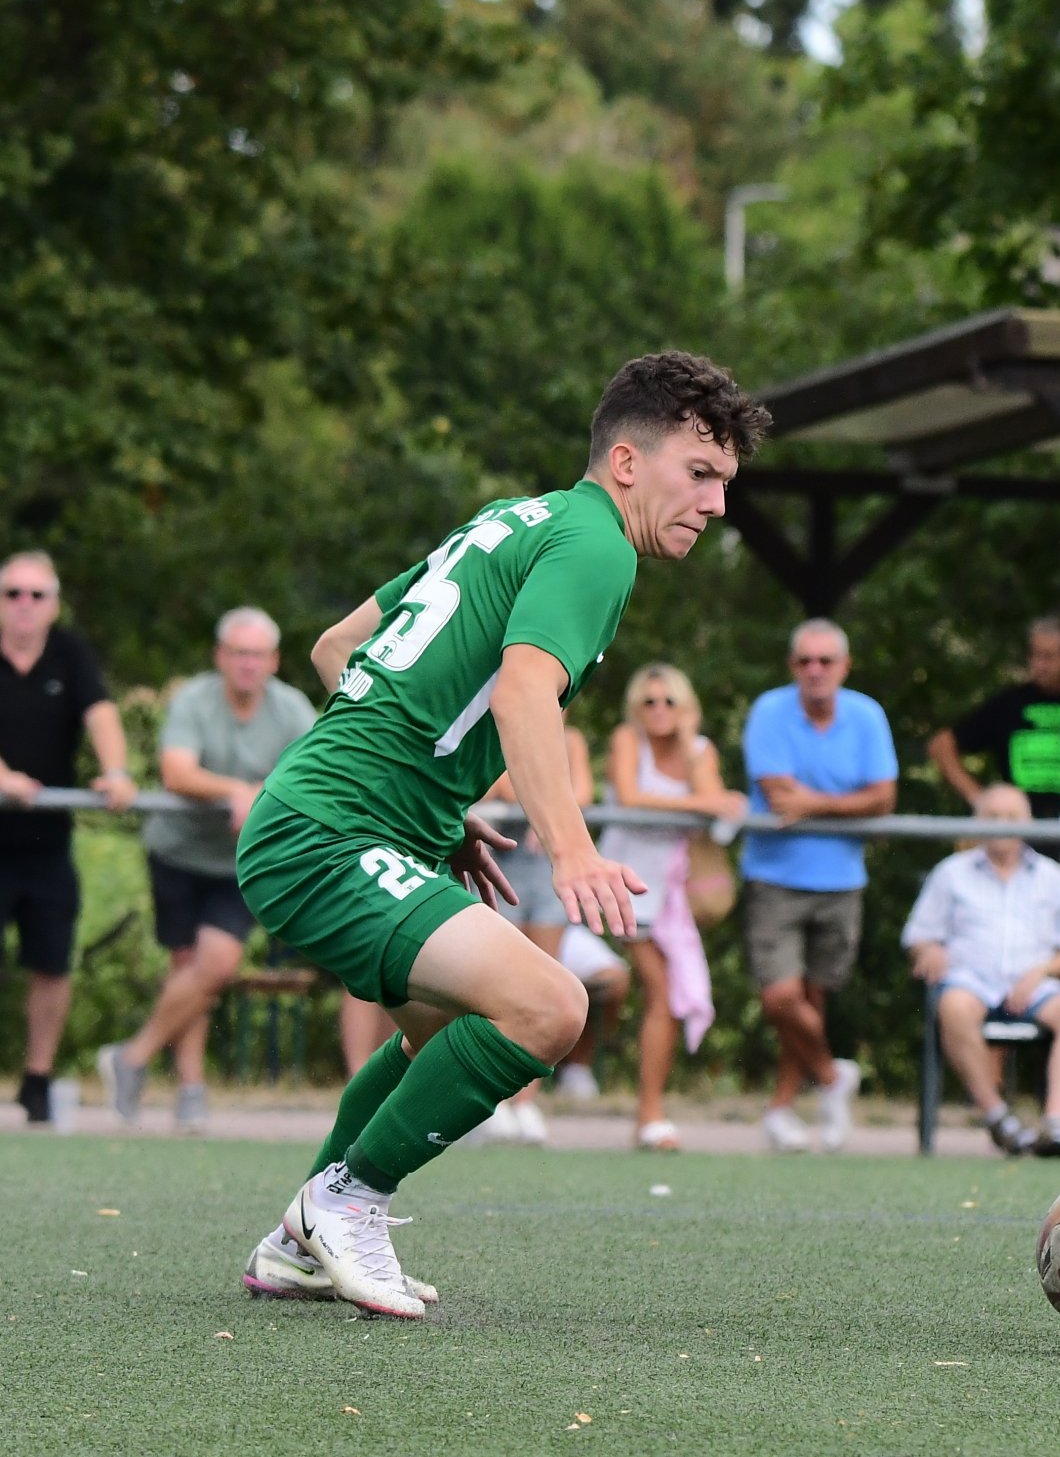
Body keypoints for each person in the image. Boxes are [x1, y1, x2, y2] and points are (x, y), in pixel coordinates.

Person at [232, 351, 769, 1318]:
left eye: (726, 482)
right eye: (702, 474)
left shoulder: (515, 518)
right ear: (625, 462)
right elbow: (526, 688)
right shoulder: (597, 544)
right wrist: (570, 847)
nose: (718, 503)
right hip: (327, 833)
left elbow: (336, 650)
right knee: (552, 1008)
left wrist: (434, 805)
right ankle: (346, 1200)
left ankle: (296, 1243)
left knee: (439, 1033)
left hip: (326, 820)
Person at [97, 608, 317, 1130]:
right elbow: (176, 772)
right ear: (221, 657)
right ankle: (191, 1090)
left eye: (257, 654)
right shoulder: (195, 699)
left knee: (216, 966)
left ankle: (129, 1058)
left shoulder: (291, 709)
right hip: (177, 852)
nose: (247, 664)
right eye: (238, 653)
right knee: (187, 971)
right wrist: (236, 790)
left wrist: (262, 796)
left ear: (273, 661)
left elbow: (313, 771)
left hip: (241, 860)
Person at [740, 618, 898, 1153]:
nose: (815, 670)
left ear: (844, 667)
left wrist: (816, 803)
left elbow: (883, 798)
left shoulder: (867, 714)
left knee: (814, 997)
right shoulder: (768, 710)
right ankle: (833, 1079)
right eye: (805, 661)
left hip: (841, 878)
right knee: (781, 996)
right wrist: (840, 803)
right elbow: (780, 796)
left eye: (825, 661)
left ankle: (783, 1111)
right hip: (775, 875)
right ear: (793, 667)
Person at [0, 550, 138, 1124]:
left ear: (54, 604)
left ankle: (36, 1078)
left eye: (37, 594)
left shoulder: (69, 652)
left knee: (52, 962)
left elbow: (101, 714)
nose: (25, 605)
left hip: (44, 842)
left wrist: (118, 771)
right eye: (12, 594)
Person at [903, 784, 1060, 1156]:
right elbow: (918, 935)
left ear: (1028, 823)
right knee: (954, 1006)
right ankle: (997, 1117)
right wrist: (929, 951)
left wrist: (1042, 972)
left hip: (1035, 984)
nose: (1002, 825)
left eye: (1012, 817)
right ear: (978, 823)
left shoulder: (1051, 876)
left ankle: (1056, 1124)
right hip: (970, 980)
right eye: (993, 817)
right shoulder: (952, 873)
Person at [600, 662, 743, 1150]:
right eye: (649, 701)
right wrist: (703, 803)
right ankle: (648, 1114)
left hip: (675, 894)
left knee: (667, 999)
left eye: (669, 701)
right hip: (625, 883)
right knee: (661, 993)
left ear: (686, 708)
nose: (659, 710)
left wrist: (688, 751)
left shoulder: (700, 751)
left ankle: (649, 1113)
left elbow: (714, 802)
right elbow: (631, 797)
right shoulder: (626, 741)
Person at [468, 723, 600, 1146]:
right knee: (489, 988)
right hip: (491, 864)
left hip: (545, 875)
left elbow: (580, 794)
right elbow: (495, 790)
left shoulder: (571, 736)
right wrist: (547, 799)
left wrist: (534, 794)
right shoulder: (487, 727)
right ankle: (485, 1102)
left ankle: (525, 1102)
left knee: (547, 984)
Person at [928, 615, 1060, 832]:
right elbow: (941, 745)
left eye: (1049, 656)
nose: (1040, 665)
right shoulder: (1009, 703)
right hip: (1019, 833)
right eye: (1035, 655)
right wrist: (980, 799)